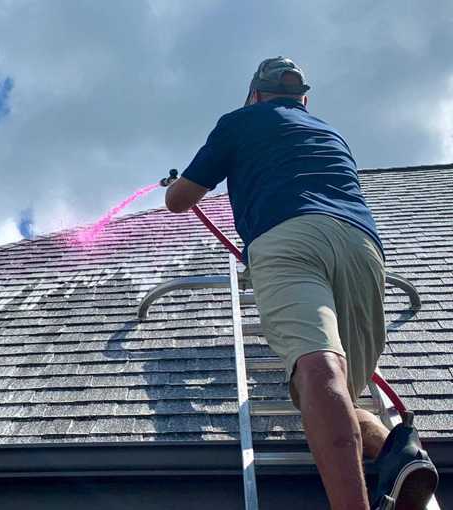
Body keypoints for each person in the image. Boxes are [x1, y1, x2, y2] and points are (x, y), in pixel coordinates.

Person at [165, 56, 438, 510]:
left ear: (255, 94)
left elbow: (181, 201)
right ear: (303, 99)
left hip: (288, 237)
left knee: (318, 371)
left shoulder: (239, 121)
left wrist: (171, 185)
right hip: (363, 247)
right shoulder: (330, 133)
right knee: (339, 393)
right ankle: (397, 452)